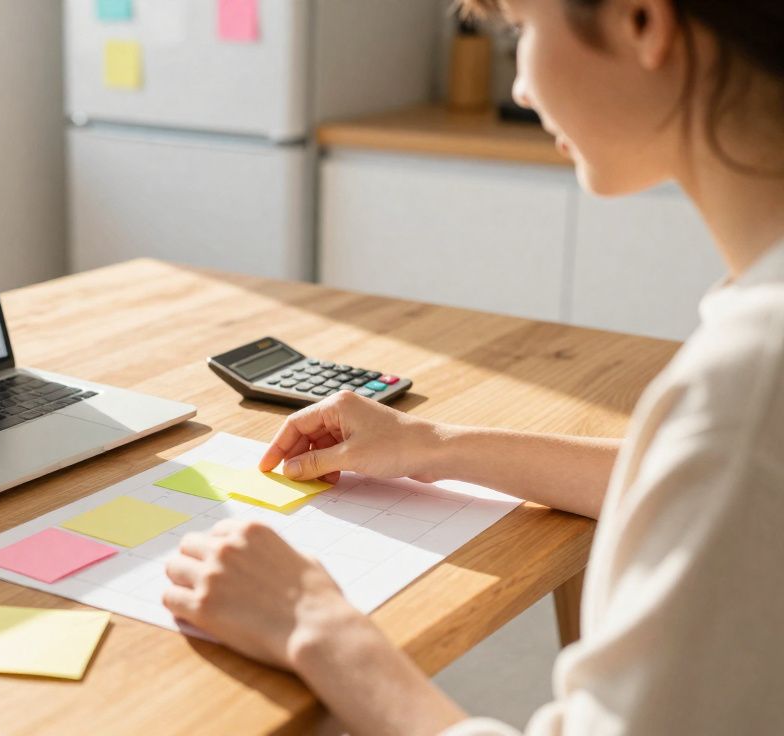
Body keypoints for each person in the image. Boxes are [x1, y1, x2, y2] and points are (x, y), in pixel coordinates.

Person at [161, 0, 784, 733]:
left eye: (523, 28)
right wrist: (435, 448)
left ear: (642, 21)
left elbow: (726, 456)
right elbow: (702, 482)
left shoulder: (749, 384)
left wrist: (317, 625)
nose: (519, 86)